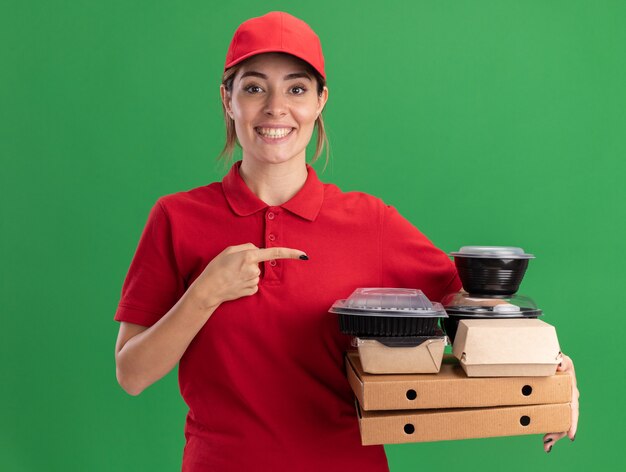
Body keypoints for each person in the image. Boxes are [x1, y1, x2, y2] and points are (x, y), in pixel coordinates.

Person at [114, 11, 579, 471]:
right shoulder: (176, 218)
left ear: (320, 102)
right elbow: (131, 375)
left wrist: (552, 364)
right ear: (227, 99)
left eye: (296, 88)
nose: (276, 107)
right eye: (254, 87)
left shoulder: (368, 221)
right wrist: (204, 294)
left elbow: (472, 307)